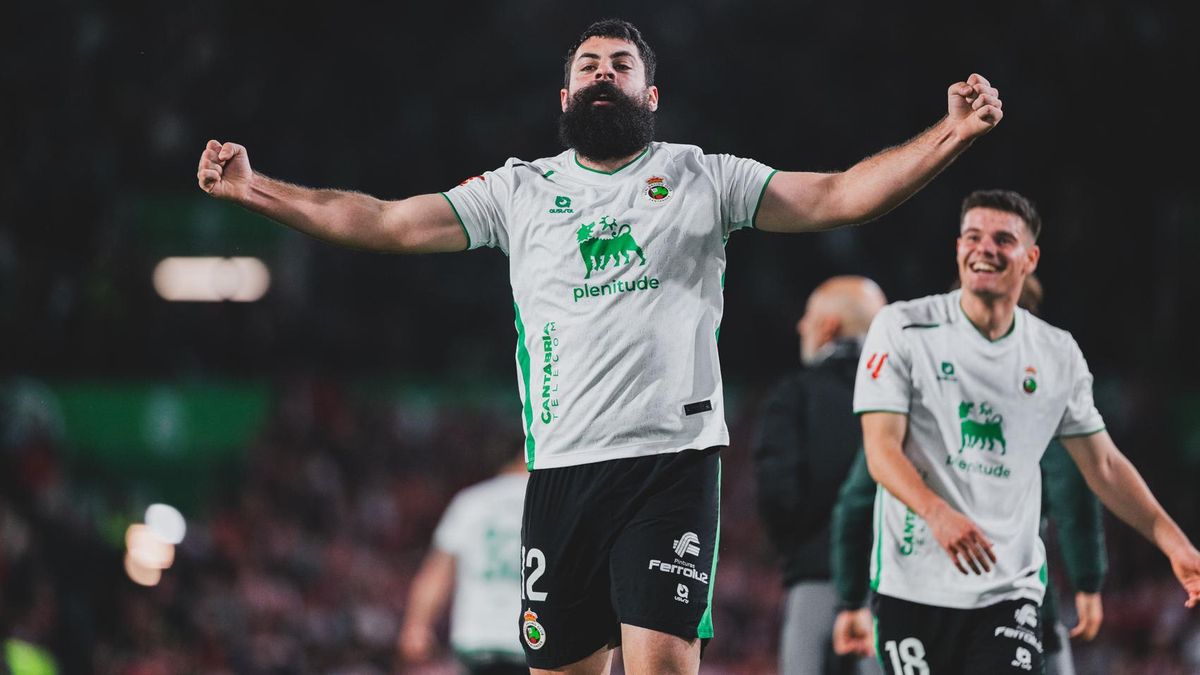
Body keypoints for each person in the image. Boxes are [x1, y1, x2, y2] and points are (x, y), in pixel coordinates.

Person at [197, 18, 1005, 674]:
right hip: (560, 475)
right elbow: (384, 220)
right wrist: (252, 187)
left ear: (650, 93)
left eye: (620, 63)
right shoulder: (518, 191)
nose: (603, 73)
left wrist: (953, 132)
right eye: (588, 64)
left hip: (671, 464)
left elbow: (835, 197)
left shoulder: (701, 176)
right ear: (565, 93)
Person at [851, 189, 1200, 674]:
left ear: (1030, 258)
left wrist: (1173, 540)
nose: (984, 248)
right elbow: (880, 450)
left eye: (1002, 239)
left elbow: (1102, 464)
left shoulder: (1057, 354)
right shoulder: (903, 328)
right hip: (913, 586)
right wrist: (937, 513)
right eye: (972, 236)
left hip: (1007, 588)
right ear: (958, 249)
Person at [829, 277, 1109, 675]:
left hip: (921, 603)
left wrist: (851, 600)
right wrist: (1087, 581)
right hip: (1014, 606)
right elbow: (1074, 487)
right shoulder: (1039, 396)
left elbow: (857, 501)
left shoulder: (917, 408)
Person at [751, 276, 886, 675]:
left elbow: (777, 494)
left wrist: (799, 548)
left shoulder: (794, 395)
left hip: (815, 581)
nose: (800, 327)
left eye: (808, 318)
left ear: (829, 327)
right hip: (890, 589)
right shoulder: (908, 396)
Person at [398, 455, 528, 675]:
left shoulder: (472, 501)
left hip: (477, 635)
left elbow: (438, 571)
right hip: (533, 637)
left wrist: (416, 624)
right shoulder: (553, 504)